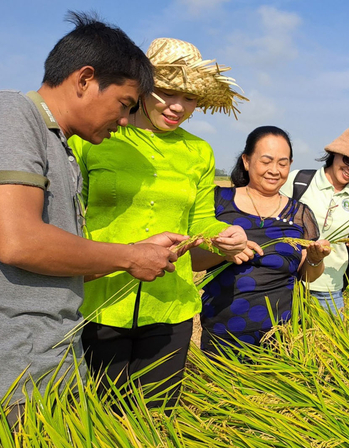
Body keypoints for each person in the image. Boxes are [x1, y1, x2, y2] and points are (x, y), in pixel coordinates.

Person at [0, 12, 191, 425]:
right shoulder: (14, 114)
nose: (124, 121)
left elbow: (61, 266)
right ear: (85, 79)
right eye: (124, 104)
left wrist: (140, 252)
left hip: (56, 367)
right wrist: (127, 257)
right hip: (18, 378)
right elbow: (17, 241)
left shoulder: (62, 148)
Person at [68, 38, 248, 407]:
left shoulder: (198, 151)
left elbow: (201, 221)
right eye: (166, 92)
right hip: (99, 305)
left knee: (155, 419)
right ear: (143, 86)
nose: (178, 107)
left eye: (191, 98)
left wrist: (224, 237)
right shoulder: (95, 138)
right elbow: (70, 218)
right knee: (97, 418)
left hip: (170, 308)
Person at [192, 126, 331, 353]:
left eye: (282, 163)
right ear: (246, 161)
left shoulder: (299, 213)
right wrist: (223, 250)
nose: (274, 170)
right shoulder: (218, 202)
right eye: (266, 161)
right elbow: (193, 261)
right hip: (224, 333)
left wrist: (315, 260)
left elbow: (308, 276)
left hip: (285, 335)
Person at [280, 126, 349, 315]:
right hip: (287, 284)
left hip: (329, 294)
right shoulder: (297, 182)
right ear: (336, 153)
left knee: (329, 345)